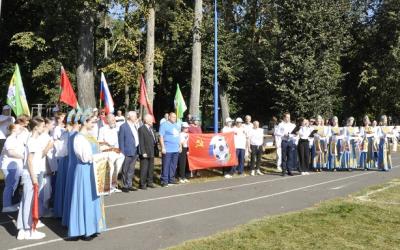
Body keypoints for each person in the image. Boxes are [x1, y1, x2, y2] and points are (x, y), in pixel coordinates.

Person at [68, 111, 106, 240]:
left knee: (94, 198)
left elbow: (96, 150)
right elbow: (85, 157)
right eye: (92, 122)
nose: (94, 124)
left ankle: (94, 226)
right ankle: (85, 229)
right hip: (85, 171)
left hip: (93, 169)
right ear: (85, 122)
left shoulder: (90, 136)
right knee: (85, 198)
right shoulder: (79, 137)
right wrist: (100, 156)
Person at [17, 117, 47, 240]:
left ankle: (22, 229)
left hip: (30, 173)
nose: (43, 128)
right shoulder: (33, 141)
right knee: (29, 203)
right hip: (31, 174)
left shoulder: (31, 138)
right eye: (42, 126)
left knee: (25, 202)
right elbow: (29, 161)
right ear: (36, 127)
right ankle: (29, 230)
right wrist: (34, 178)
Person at [62, 112, 81, 226]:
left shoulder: (72, 133)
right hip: (75, 164)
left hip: (72, 163)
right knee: (74, 191)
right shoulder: (75, 134)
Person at [1, 123, 24, 213]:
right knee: (9, 186)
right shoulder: (10, 139)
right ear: (14, 129)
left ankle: (9, 204)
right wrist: (23, 157)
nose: (20, 129)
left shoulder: (15, 139)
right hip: (10, 166)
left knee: (12, 185)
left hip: (14, 166)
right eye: (18, 128)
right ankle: (6, 205)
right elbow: (11, 152)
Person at [98, 114, 124, 193]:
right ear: (107, 120)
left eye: (114, 119)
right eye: (112, 119)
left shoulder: (117, 129)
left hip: (116, 151)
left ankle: (113, 185)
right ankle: (107, 187)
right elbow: (100, 141)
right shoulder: (102, 129)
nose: (114, 121)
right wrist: (107, 145)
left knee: (119, 165)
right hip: (107, 150)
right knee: (111, 168)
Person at [53, 112, 69, 218]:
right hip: (60, 155)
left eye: (64, 117)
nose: (64, 118)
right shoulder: (56, 129)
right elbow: (56, 141)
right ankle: (55, 202)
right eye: (62, 117)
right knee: (58, 179)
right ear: (58, 119)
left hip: (65, 154)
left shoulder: (64, 127)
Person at [118, 111, 140, 192]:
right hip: (127, 151)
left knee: (131, 169)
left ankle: (129, 184)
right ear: (129, 117)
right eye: (134, 116)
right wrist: (122, 152)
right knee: (125, 169)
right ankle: (124, 186)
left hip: (135, 150)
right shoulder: (123, 127)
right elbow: (121, 141)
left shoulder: (134, 126)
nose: (135, 117)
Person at [159, 112, 180, 187]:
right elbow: (161, 136)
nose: (175, 118)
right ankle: (164, 180)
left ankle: (171, 179)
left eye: (175, 117)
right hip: (167, 149)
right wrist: (163, 147)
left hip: (176, 149)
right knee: (166, 165)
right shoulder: (164, 125)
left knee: (173, 165)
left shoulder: (176, 125)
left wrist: (180, 146)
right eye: (173, 117)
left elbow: (178, 136)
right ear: (169, 117)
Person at [138, 114, 157, 190]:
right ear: (146, 120)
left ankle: (150, 182)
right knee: (144, 169)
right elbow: (141, 141)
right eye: (151, 119)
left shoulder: (151, 128)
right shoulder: (141, 129)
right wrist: (143, 152)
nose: (152, 121)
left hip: (151, 151)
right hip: (145, 152)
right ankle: (142, 184)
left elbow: (153, 138)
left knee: (150, 168)